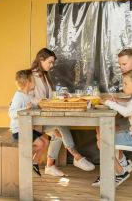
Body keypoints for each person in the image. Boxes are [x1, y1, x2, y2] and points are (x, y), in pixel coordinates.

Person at [29, 48, 95, 176]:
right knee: (60, 124)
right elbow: (29, 99)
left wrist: (59, 95)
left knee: (58, 133)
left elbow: (48, 95)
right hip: (34, 119)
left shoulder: (45, 76)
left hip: (45, 117)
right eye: (50, 62)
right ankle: (77, 157)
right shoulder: (31, 76)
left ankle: (49, 167)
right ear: (41, 59)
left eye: (53, 62)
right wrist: (44, 101)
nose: (52, 65)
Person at [93, 70, 132, 187]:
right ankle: (115, 169)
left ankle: (120, 172)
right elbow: (130, 106)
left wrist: (109, 103)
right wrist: (117, 102)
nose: (123, 86)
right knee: (106, 134)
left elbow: (126, 112)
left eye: (125, 83)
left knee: (103, 141)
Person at [9, 69, 49, 177]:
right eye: (33, 81)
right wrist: (24, 109)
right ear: (28, 84)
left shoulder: (26, 95)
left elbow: (30, 105)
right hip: (18, 130)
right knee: (40, 144)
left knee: (46, 141)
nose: (35, 83)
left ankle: (34, 162)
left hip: (26, 128)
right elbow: (11, 113)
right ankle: (23, 155)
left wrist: (39, 104)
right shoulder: (18, 97)